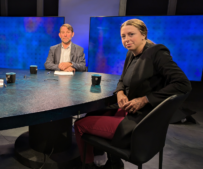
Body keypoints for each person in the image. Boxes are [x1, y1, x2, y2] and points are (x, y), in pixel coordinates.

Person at [74, 19, 192, 169]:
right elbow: (122, 79)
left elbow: (183, 84)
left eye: (131, 34)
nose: (127, 39)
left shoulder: (157, 53)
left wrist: (145, 99)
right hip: (129, 110)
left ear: (143, 35)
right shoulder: (132, 53)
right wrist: (120, 93)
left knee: (79, 125)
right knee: (90, 116)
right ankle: (114, 164)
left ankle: (88, 165)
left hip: (141, 120)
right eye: (123, 36)